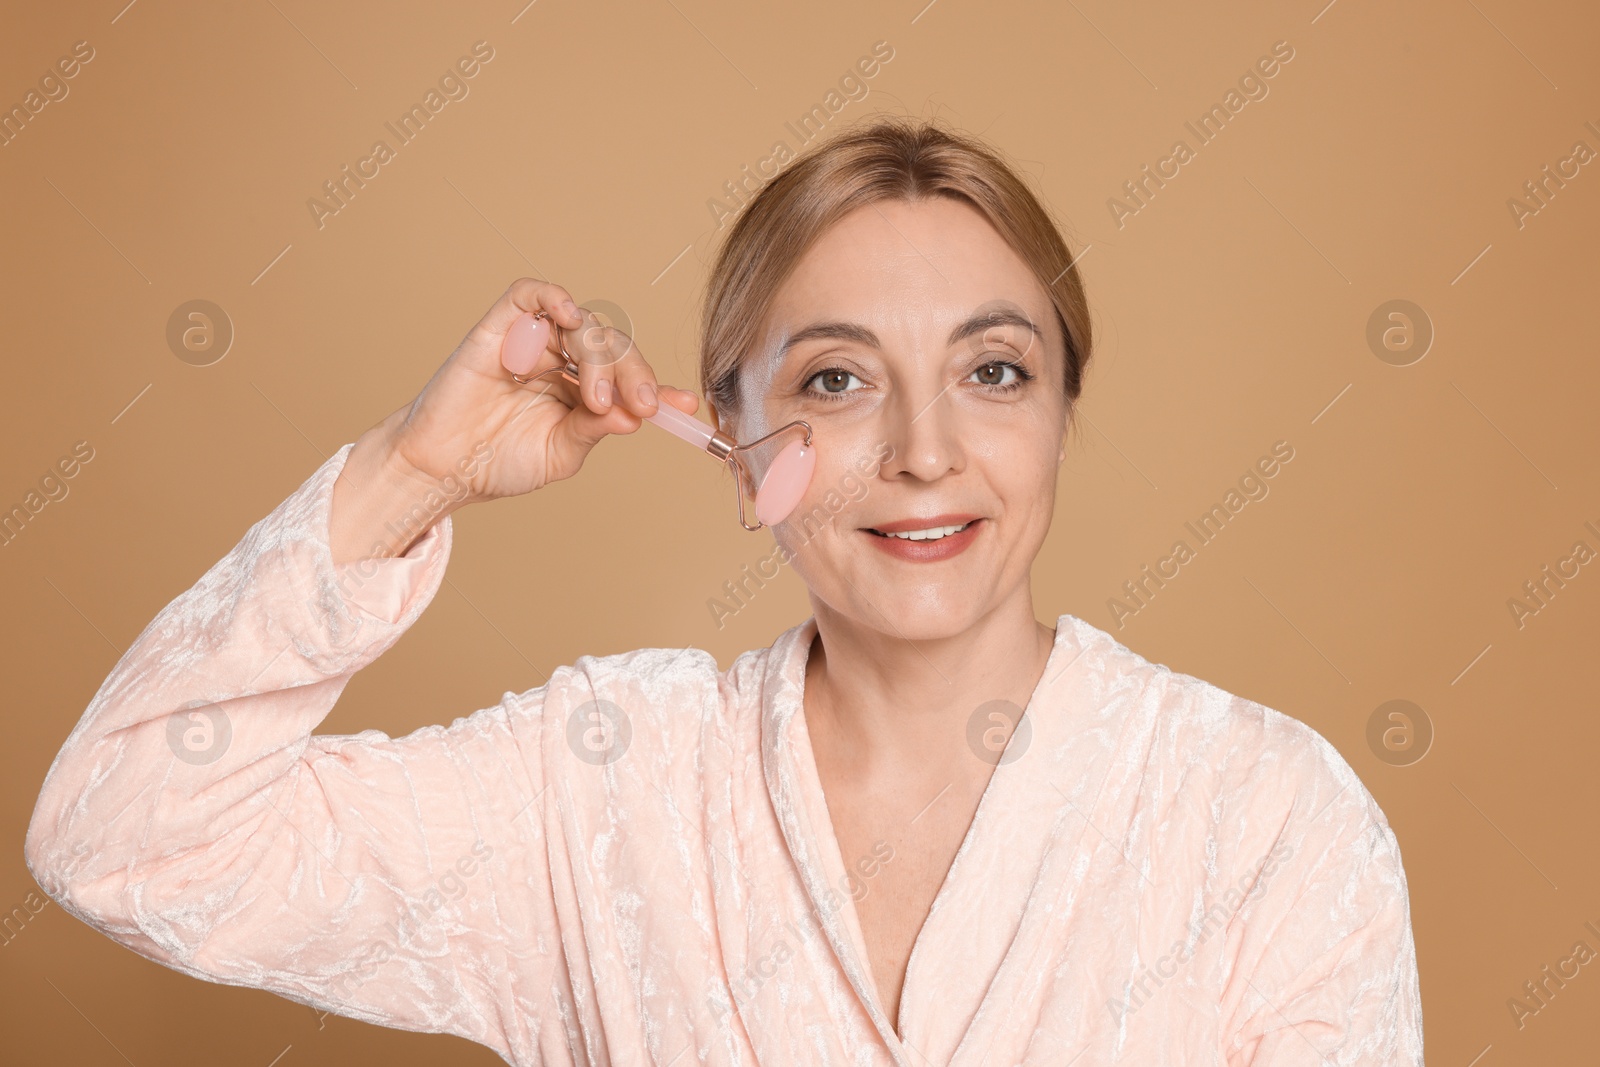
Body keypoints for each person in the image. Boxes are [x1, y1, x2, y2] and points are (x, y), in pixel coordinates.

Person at [24, 116, 1424, 1065]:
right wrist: (417, 468)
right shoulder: (596, 788)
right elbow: (124, 836)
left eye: (994, 371)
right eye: (835, 379)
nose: (925, 452)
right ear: (728, 432)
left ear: (1061, 410)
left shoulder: (1265, 820)